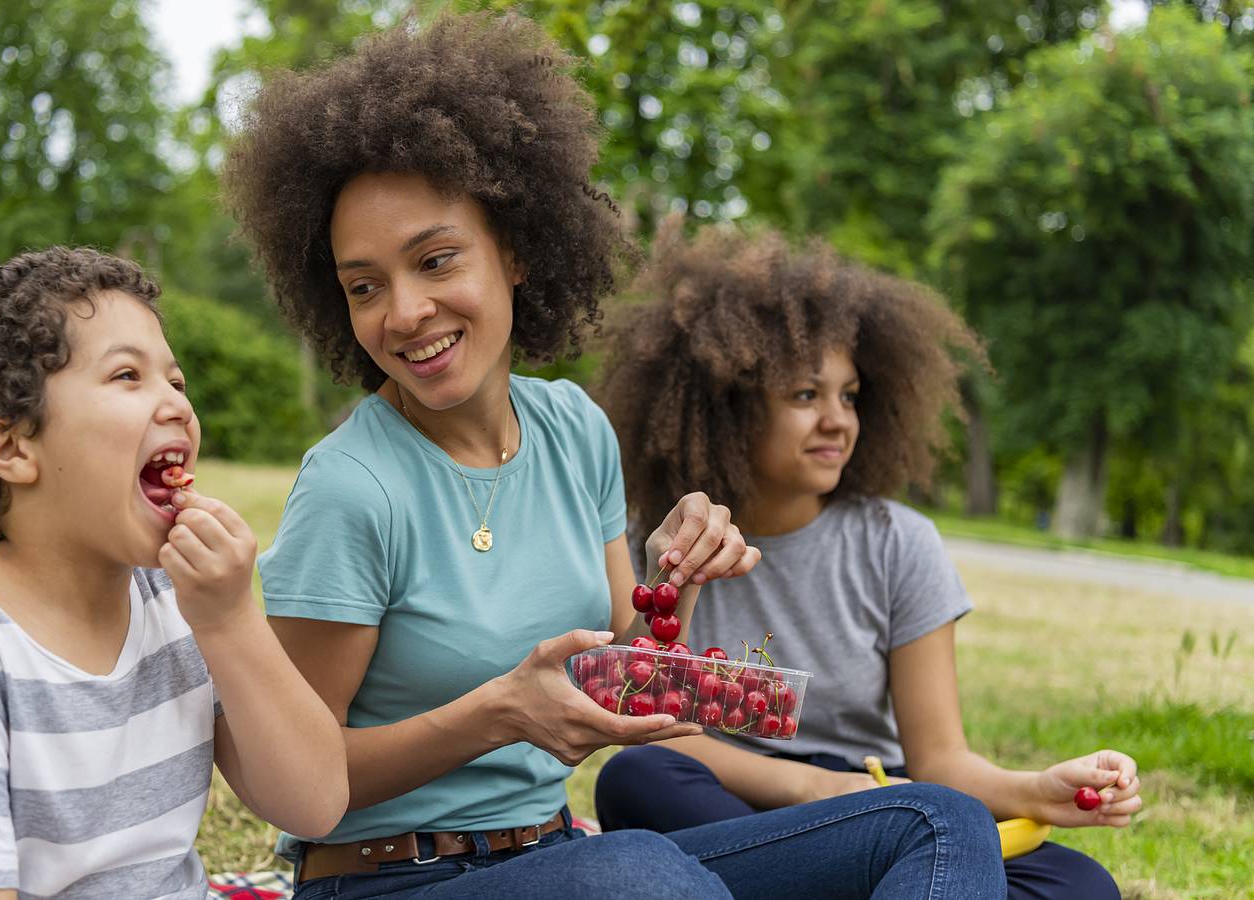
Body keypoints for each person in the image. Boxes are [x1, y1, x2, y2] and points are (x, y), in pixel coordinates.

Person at [223, 13, 1006, 899]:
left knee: (940, 823)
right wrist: (493, 715)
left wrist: (674, 586)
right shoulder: (352, 489)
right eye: (365, 286)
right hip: (390, 880)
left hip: (559, 857)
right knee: (643, 877)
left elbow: (624, 676)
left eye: (436, 261)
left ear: (515, 252)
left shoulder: (573, 430)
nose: (403, 312)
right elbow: (288, 781)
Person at [592, 223, 1142, 900]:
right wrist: (817, 791)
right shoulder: (667, 536)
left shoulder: (898, 543)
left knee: (1076, 885)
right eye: (805, 395)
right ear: (726, 405)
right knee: (638, 779)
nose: (838, 420)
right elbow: (643, 729)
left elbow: (939, 758)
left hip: (884, 812)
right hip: (733, 806)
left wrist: (1038, 790)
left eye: (849, 395)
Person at [0, 248, 347, 899]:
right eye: (128, 376)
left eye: (177, 382)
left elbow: (315, 803)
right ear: (14, 446)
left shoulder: (177, 603)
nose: (176, 405)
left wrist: (232, 618)